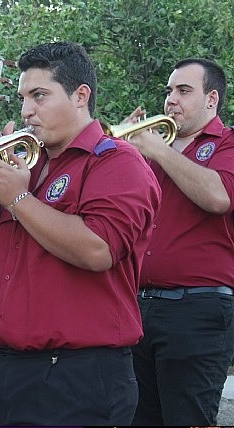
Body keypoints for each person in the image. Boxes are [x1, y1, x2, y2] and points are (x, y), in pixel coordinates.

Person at [0, 41, 162, 425]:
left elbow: (97, 249)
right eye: (22, 98)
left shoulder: (118, 161)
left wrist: (17, 197)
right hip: (3, 369)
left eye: (39, 96)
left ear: (80, 95)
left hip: (76, 373)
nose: (25, 111)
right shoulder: (28, 166)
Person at [123, 58, 234, 426]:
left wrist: (158, 150)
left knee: (189, 417)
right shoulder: (154, 152)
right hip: (139, 306)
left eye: (184, 90)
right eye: (169, 91)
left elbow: (218, 197)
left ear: (211, 99)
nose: (171, 99)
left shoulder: (227, 143)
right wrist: (124, 153)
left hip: (198, 308)